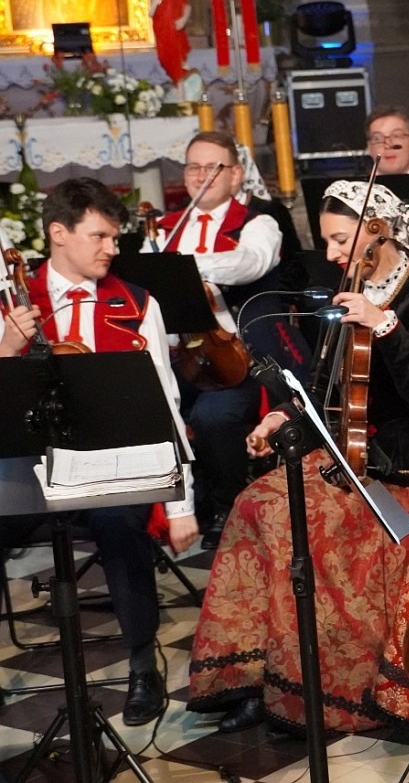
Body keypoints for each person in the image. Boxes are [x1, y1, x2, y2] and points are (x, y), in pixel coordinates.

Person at [186, 181, 409, 734]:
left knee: (309, 524)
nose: (334, 256)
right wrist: (283, 416)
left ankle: (324, 690)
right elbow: (321, 388)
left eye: (342, 241)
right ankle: (260, 677)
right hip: (350, 452)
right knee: (254, 505)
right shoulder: (347, 288)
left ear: (380, 232)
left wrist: (385, 325)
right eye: (328, 243)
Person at [0, 178, 199, 727]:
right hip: (33, 473)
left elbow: (167, 400)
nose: (112, 248)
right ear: (58, 234)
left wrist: (180, 505)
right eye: (101, 236)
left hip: (111, 473)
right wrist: (7, 348)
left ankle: (141, 665)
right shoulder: (13, 303)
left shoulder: (139, 304)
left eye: (115, 236)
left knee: (120, 525)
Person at [148, 130, 283, 547]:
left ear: (236, 174)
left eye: (212, 167)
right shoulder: (163, 229)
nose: (200, 175)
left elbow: (250, 263)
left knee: (213, 417)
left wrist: (180, 268)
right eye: (193, 167)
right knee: (148, 409)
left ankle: (230, 502)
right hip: (171, 353)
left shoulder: (258, 222)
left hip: (230, 358)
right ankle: (178, 506)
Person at [121, 0, 191, 86]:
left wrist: (183, 19)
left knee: (176, 59)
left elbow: (187, 6)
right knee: (164, 58)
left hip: (173, 29)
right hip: (160, 28)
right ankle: (178, 86)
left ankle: (181, 92)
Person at [365, 105, 409, 177]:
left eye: (396, 136)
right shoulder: (356, 187)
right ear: (369, 148)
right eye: (378, 138)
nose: (387, 145)